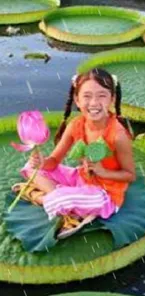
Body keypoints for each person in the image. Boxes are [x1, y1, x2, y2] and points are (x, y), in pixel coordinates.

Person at [13, 68, 136, 232]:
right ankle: (68, 199)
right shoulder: (75, 125)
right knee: (31, 167)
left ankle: (42, 197)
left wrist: (103, 172)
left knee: (62, 198)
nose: (93, 103)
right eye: (87, 96)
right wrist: (43, 162)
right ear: (77, 100)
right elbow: (54, 162)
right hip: (81, 178)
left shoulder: (119, 135)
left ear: (112, 99)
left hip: (104, 195)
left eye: (102, 96)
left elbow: (130, 175)